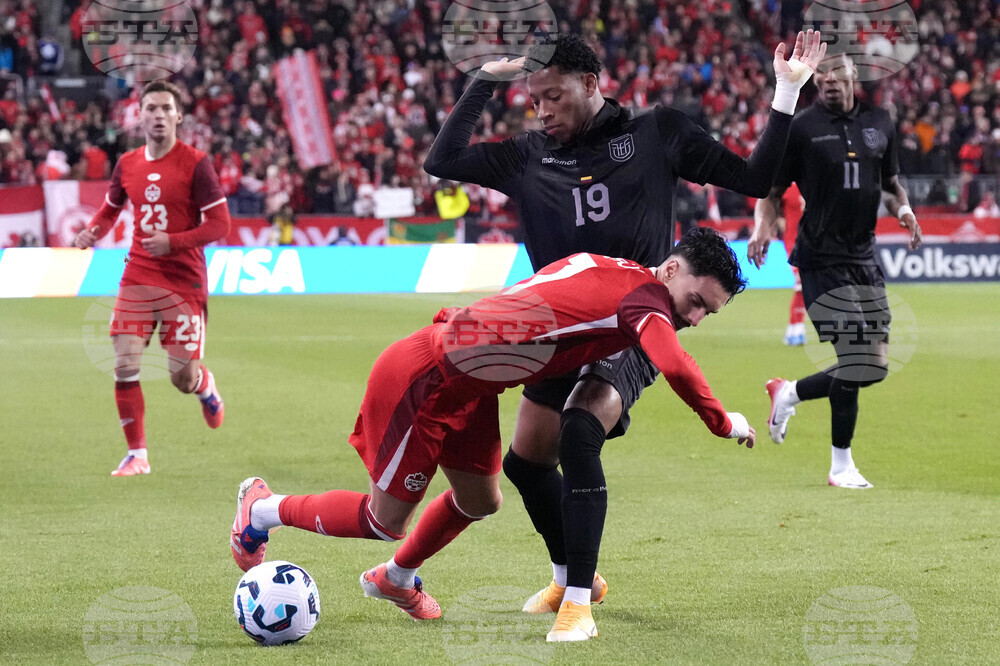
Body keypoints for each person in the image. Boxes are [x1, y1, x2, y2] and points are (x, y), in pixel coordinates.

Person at [422, 31, 825, 639]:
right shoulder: (528, 155)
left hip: (635, 325)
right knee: (526, 464)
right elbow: (442, 161)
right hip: (559, 329)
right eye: (534, 100)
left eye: (554, 96)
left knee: (581, 427)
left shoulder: (656, 132)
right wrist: (485, 80)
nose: (542, 111)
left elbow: (755, 175)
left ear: (591, 83)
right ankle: (571, 576)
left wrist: (787, 91)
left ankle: (577, 606)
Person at [231, 229, 755, 639]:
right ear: (671, 269)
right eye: (696, 301)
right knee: (383, 521)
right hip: (426, 379)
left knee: (481, 500)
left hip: (471, 386)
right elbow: (676, 365)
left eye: (707, 312)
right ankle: (263, 510)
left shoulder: (610, 267)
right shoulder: (644, 301)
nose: (695, 317)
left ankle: (396, 578)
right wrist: (724, 421)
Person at [747, 54, 922, 490]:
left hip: (864, 257)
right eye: (820, 75)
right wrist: (762, 226)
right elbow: (770, 190)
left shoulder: (880, 121)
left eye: (836, 73)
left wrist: (904, 210)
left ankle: (789, 392)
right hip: (820, 258)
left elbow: (890, 183)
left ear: (852, 78)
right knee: (855, 359)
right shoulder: (803, 127)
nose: (827, 81)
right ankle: (841, 466)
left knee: (874, 366)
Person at [74, 80, 231, 477]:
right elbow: (111, 208)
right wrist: (93, 231)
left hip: (184, 281)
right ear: (139, 116)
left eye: (165, 108)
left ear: (179, 116)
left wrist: (174, 241)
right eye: (151, 108)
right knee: (124, 360)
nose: (158, 115)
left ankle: (204, 385)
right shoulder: (127, 163)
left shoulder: (196, 163)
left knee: (181, 378)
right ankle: (137, 455)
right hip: (139, 274)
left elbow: (220, 224)